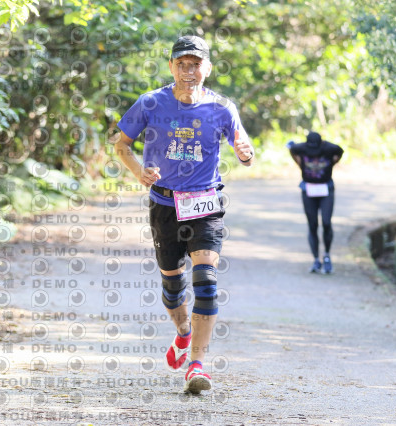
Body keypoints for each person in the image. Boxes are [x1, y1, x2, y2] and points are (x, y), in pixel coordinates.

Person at [111, 35, 254, 394]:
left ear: (208, 68)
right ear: (171, 67)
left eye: (196, 64)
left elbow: (244, 148)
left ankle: (197, 365)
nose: (189, 71)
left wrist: (245, 152)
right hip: (164, 205)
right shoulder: (151, 103)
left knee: (206, 281)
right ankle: (183, 332)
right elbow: (121, 144)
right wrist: (138, 171)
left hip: (205, 204)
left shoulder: (222, 108)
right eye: (182, 64)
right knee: (173, 289)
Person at [287, 132, 344, 274]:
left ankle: (327, 256)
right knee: (312, 225)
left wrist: (332, 163)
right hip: (308, 190)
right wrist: (300, 164)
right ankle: (316, 259)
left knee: (326, 223)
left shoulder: (329, 148)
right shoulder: (301, 148)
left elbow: (340, 151)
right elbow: (291, 149)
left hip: (326, 189)